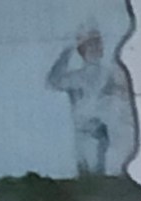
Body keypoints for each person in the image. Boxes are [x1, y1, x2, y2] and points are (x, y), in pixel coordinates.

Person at [47, 28, 115, 176]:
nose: (95, 48)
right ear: (82, 50)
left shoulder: (110, 75)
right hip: (84, 133)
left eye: (97, 44)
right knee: (87, 172)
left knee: (102, 172)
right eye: (90, 45)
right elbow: (53, 81)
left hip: (105, 133)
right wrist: (66, 53)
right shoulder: (77, 78)